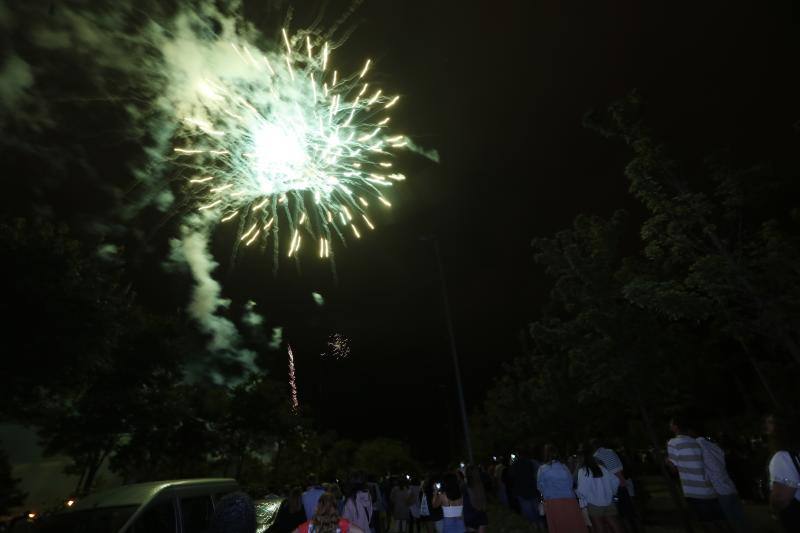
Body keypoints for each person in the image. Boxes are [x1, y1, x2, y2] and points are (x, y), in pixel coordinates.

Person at [667, 414, 726, 531]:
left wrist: (668, 462)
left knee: (706, 524)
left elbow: (674, 470)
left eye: (671, 424)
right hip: (709, 488)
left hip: (694, 490)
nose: (669, 426)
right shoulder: (695, 441)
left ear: (676, 427)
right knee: (720, 522)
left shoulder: (673, 443)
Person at [696, 432, 751, 532]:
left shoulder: (701, 447)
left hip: (720, 490)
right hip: (730, 487)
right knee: (740, 520)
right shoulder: (715, 449)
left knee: (730, 521)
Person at [537, 443, 588, 533]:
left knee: (559, 527)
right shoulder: (564, 467)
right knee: (574, 526)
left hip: (553, 502)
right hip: (570, 500)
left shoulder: (542, 469)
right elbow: (571, 483)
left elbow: (540, 487)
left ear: (545, 454)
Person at [591, 438, 639, 533]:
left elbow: (606, 475)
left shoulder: (596, 457)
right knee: (628, 515)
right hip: (623, 486)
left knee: (617, 517)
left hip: (614, 491)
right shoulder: (610, 452)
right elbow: (619, 469)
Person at [765, 414, 800, 531]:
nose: (766, 427)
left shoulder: (782, 457)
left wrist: (773, 508)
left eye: (770, 423)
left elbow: (782, 497)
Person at [576, 447, 622, 533]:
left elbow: (582, 491)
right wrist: (611, 493)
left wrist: (577, 493)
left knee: (599, 527)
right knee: (615, 525)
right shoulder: (602, 468)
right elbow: (616, 481)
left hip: (594, 504)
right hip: (608, 502)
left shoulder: (583, 471)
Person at [508, 450, 545, 530]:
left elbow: (511, 477)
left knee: (529, 512)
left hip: (522, 492)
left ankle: (535, 525)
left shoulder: (514, 465)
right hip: (532, 490)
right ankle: (540, 525)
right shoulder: (532, 462)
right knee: (537, 511)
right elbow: (539, 474)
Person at [295, 492, 364, 533]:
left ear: (319, 507)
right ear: (334, 508)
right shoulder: (341, 523)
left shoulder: (309, 525)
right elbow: (361, 532)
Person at [462, 466, 488, 533]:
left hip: (470, 515)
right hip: (480, 514)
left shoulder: (465, 487)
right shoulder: (480, 484)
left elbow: (467, 502)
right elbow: (483, 500)